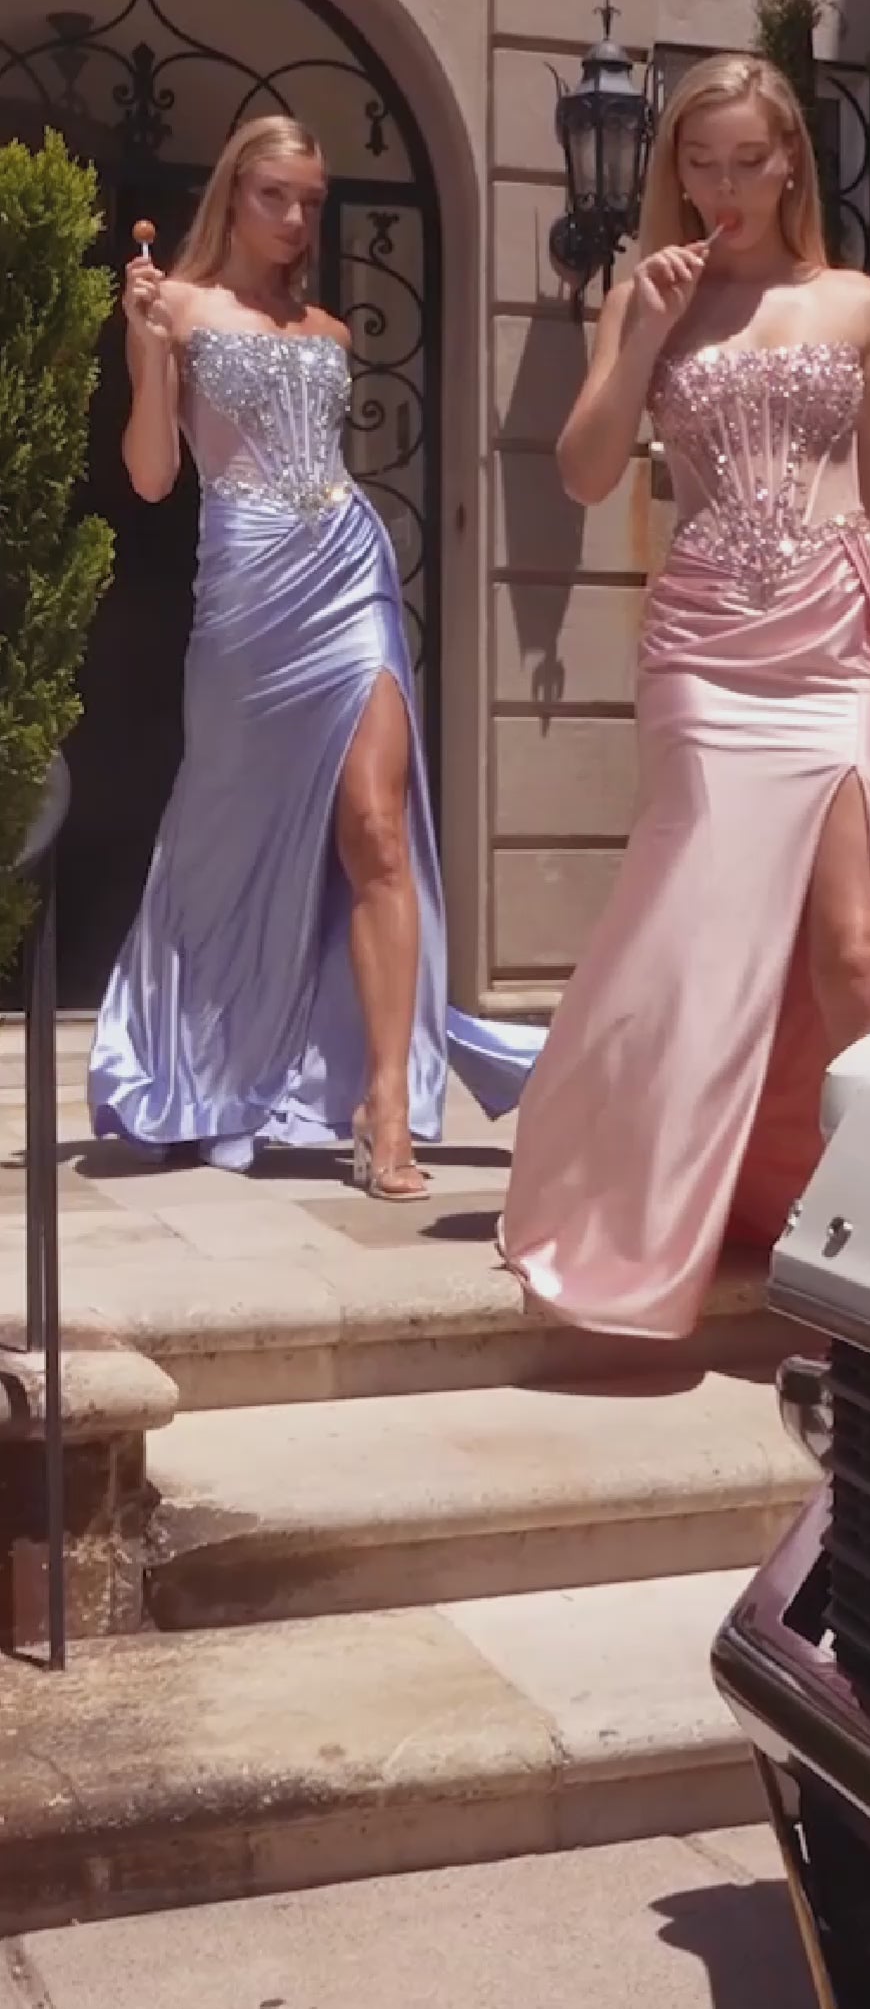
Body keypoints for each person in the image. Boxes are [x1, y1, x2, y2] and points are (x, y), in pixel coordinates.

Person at [499, 52, 870, 1339]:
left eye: (746, 161)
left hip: (836, 641)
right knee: (695, 939)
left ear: (791, 165)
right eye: (699, 163)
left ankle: (861, 1218)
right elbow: (584, 472)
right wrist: (644, 334)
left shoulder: (857, 303)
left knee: (856, 949)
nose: (722, 186)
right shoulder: (644, 296)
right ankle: (637, 1181)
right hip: (706, 651)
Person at [88, 114, 448, 1197]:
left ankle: (387, 1106)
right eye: (274, 197)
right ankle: (199, 1062)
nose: (295, 220)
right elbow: (153, 475)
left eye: (311, 202)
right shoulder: (177, 307)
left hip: (349, 569)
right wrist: (148, 348)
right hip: (247, 588)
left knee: (376, 825)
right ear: (233, 195)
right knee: (222, 835)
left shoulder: (330, 331)